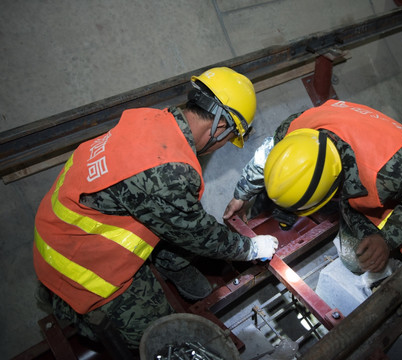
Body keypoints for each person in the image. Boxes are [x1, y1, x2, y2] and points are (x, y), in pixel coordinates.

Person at [33, 67, 278, 349]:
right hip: (77, 262)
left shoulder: (154, 119)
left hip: (68, 223)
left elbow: (172, 215)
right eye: (228, 140)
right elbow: (199, 233)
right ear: (220, 128)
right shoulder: (168, 172)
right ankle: (73, 312)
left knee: (173, 224)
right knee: (167, 336)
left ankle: (175, 268)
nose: (222, 146)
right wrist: (251, 248)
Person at [224, 99, 402, 275]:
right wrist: (241, 195)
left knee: (357, 261)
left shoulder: (395, 169)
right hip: (356, 168)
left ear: (334, 189)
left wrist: (386, 239)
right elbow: (267, 154)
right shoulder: (295, 129)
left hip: (390, 185)